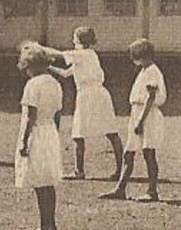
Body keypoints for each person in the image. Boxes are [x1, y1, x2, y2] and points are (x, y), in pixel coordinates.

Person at [45, 26, 123, 181]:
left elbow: (58, 54)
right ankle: (117, 169)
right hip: (98, 94)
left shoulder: (82, 54)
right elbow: (66, 74)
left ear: (80, 40)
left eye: (74, 37)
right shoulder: (87, 56)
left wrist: (38, 48)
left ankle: (81, 172)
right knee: (107, 132)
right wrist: (48, 67)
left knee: (81, 133)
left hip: (90, 95)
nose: (73, 40)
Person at [102, 38, 166, 202]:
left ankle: (152, 191)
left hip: (147, 115)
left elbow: (150, 98)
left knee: (148, 153)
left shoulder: (152, 71)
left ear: (142, 56)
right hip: (137, 112)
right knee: (128, 153)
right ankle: (120, 189)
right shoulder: (144, 70)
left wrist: (140, 122)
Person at [15, 42, 65, 230]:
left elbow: (30, 116)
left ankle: (46, 227)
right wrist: (55, 135)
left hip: (36, 133)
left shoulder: (33, 85)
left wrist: (24, 141)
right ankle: (50, 225)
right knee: (47, 181)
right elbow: (58, 113)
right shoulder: (55, 83)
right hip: (50, 132)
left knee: (39, 182)